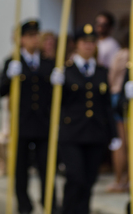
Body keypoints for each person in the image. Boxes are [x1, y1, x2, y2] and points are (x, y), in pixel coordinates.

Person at [51, 24, 119, 214]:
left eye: (92, 43)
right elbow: (57, 104)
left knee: (89, 181)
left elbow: (106, 105)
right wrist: (55, 87)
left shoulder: (101, 71)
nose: (88, 46)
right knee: (75, 177)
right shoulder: (66, 71)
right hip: (72, 134)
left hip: (95, 133)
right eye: (84, 42)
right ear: (76, 45)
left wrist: (113, 134)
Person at [0, 20, 55, 214]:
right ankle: (24, 205)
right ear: (21, 39)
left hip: (43, 124)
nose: (34, 39)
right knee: (20, 169)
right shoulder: (12, 62)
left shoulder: (48, 62)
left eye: (36, 35)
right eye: (30, 36)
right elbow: (0, 90)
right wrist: (9, 76)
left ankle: (50, 204)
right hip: (21, 123)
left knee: (46, 167)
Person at [106, 30, 129, 192]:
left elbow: (111, 77)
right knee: (123, 142)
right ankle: (124, 179)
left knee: (122, 142)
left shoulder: (121, 54)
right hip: (122, 99)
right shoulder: (126, 55)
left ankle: (121, 179)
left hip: (118, 96)